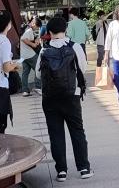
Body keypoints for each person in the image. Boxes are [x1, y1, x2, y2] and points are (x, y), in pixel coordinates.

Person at [39, 14, 91, 182]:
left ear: (49, 32)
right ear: (66, 30)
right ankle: (83, 168)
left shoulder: (44, 50)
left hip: (50, 99)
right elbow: (82, 68)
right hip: (71, 96)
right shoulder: (75, 47)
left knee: (56, 134)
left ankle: (61, 171)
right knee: (77, 131)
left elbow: (39, 75)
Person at [20, 16, 42, 95]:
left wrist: (36, 42)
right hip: (30, 54)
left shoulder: (30, 30)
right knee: (39, 68)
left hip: (24, 55)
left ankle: (25, 90)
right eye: (37, 27)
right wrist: (33, 44)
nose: (37, 28)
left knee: (25, 72)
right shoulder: (29, 30)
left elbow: (34, 40)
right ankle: (38, 87)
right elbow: (23, 39)